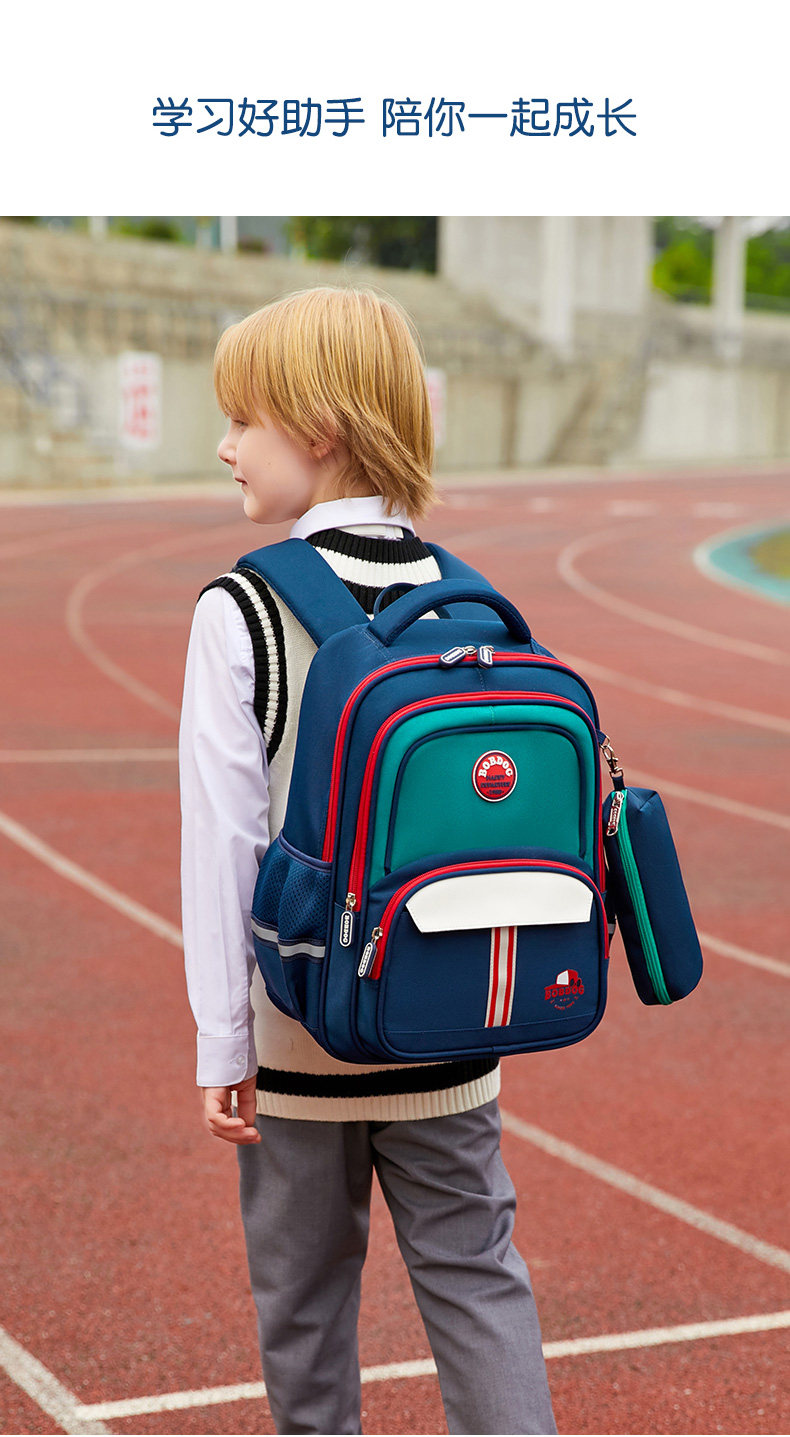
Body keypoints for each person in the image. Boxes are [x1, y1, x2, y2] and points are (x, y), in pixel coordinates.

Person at [179, 285, 557, 1436]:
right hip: (451, 1024)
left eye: (242, 418)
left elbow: (224, 844)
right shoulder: (470, 605)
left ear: (318, 426)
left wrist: (223, 1042)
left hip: (303, 1033)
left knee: (304, 1314)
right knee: (479, 1284)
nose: (225, 445)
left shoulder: (241, 610)